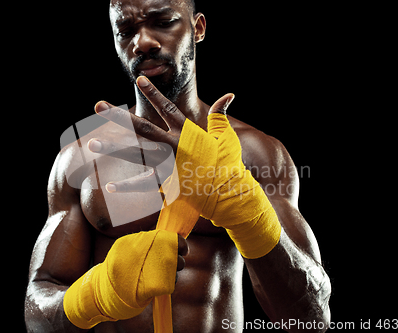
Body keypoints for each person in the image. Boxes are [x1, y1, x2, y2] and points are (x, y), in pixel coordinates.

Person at [24, 0, 331, 332]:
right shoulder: (82, 157)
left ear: (197, 28)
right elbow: (38, 314)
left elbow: (310, 319)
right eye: (126, 31)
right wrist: (96, 294)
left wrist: (246, 212)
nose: (142, 42)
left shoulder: (254, 154)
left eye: (163, 22)